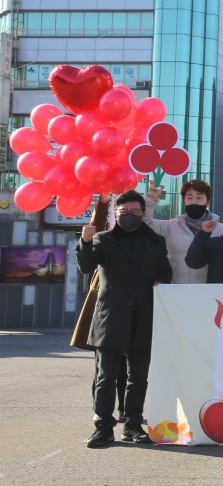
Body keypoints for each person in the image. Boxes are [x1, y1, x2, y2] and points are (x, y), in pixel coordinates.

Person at [77, 190, 172, 448]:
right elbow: (87, 266)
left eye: (135, 212)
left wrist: (160, 282)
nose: (129, 216)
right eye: (124, 212)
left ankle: (132, 424)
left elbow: (165, 273)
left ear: (143, 214)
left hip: (143, 315)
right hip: (110, 315)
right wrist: (85, 242)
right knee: (105, 376)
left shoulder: (156, 241)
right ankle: (103, 427)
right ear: (116, 213)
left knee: (138, 376)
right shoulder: (103, 239)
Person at [71, 193, 128, 425]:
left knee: (128, 362)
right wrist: (104, 200)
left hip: (133, 296)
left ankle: (126, 410)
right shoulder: (103, 235)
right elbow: (95, 225)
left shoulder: (140, 234)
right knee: (103, 363)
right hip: (105, 298)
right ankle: (101, 413)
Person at [144, 180, 223, 283]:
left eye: (199, 198)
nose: (194, 202)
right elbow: (144, 225)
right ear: (184, 201)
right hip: (176, 292)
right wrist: (151, 200)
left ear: (208, 202)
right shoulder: (169, 226)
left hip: (209, 295)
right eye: (189, 197)